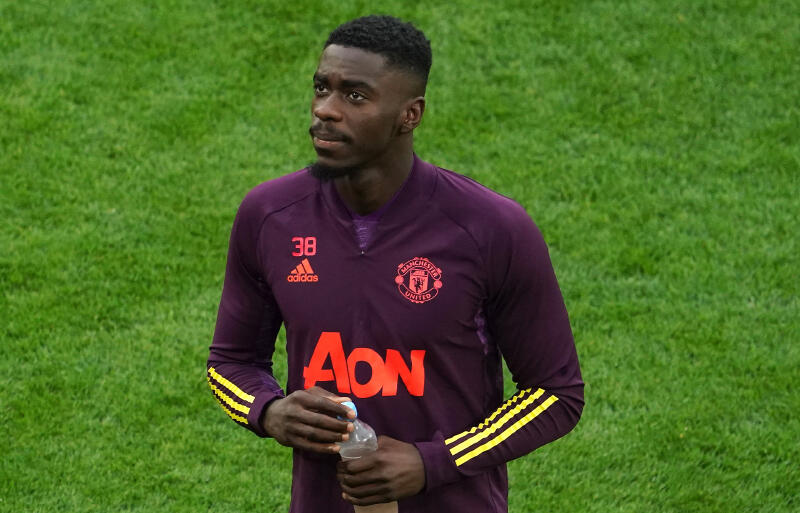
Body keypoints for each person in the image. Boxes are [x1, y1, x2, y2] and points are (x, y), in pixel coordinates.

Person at [206, 14, 584, 513]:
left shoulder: (490, 228)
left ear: (410, 115)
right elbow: (230, 363)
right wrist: (269, 410)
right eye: (321, 88)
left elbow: (555, 393)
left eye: (354, 96)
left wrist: (434, 463)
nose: (325, 110)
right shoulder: (270, 217)